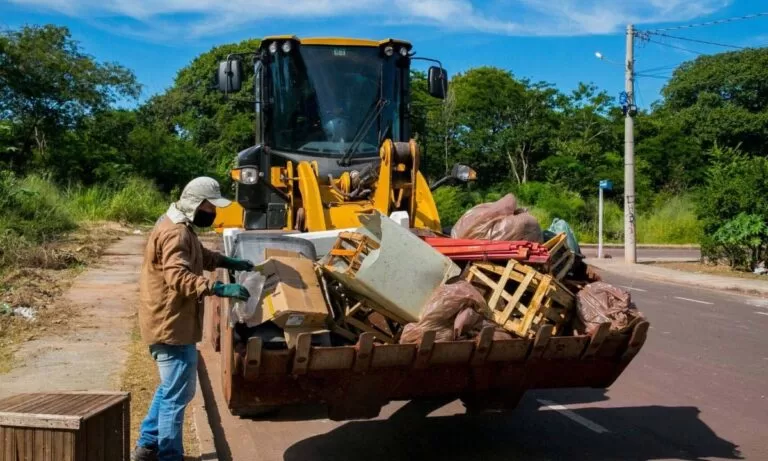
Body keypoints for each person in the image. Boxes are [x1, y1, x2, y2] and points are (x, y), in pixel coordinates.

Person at [132, 177, 254, 461]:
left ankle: (147, 446)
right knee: (178, 396)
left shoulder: (178, 224)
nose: (214, 214)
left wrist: (225, 261)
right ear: (197, 205)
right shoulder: (176, 233)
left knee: (169, 389)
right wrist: (217, 287)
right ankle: (169, 456)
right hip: (171, 326)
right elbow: (177, 276)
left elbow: (196, 255)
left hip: (169, 322)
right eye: (211, 208)